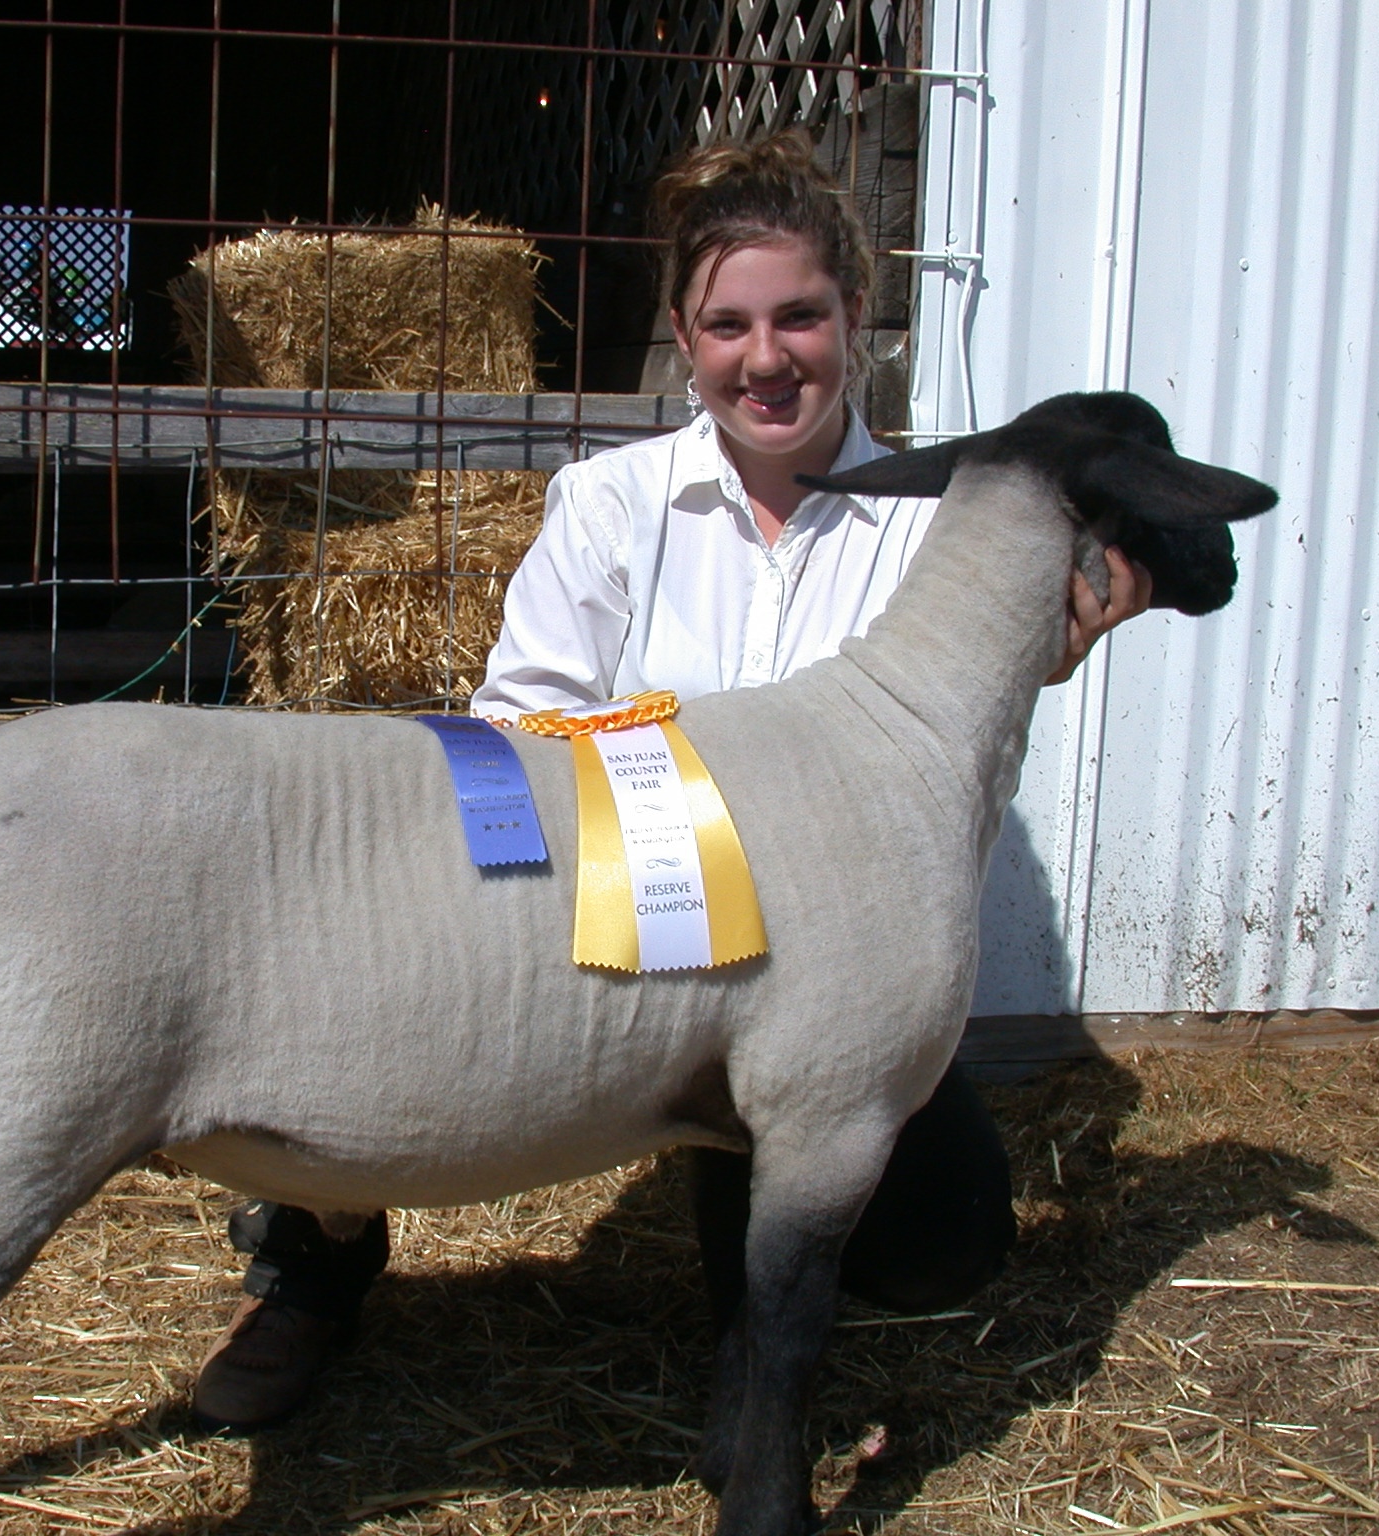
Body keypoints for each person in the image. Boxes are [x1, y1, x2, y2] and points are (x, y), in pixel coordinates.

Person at [192, 128, 1153, 1431]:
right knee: (378, 976)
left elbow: (932, 768)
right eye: (729, 324)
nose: (768, 358)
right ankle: (315, 1263)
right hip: (621, 955)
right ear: (686, 338)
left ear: (856, 318)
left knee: (945, 1245)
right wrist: (686, 785)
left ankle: (744, 1193)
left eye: (800, 316)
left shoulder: (939, 525)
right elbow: (517, 729)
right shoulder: (611, 503)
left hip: (810, 988)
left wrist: (1038, 652)